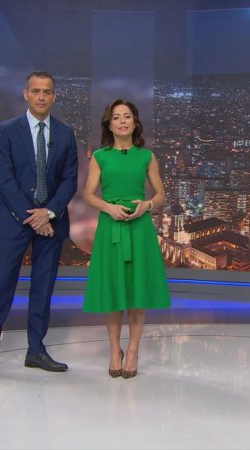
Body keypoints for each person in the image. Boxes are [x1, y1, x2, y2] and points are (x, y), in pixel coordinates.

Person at [0, 71, 78, 380]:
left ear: (54, 96)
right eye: (36, 90)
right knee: (1, 287)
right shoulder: (7, 131)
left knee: (43, 288)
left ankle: (36, 350)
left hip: (51, 223)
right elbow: (4, 178)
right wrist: (34, 217)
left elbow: (69, 181)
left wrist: (48, 213)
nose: (41, 96)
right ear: (25, 94)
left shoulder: (65, 134)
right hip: (15, 221)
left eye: (47, 91)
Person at [83, 99, 170, 378]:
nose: (122, 121)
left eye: (127, 116)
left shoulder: (147, 157)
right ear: (109, 124)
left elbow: (161, 195)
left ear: (135, 122)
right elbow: (88, 195)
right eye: (117, 117)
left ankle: (132, 351)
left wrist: (147, 205)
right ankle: (114, 351)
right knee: (114, 290)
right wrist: (108, 208)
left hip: (140, 228)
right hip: (111, 227)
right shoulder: (100, 156)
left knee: (136, 291)